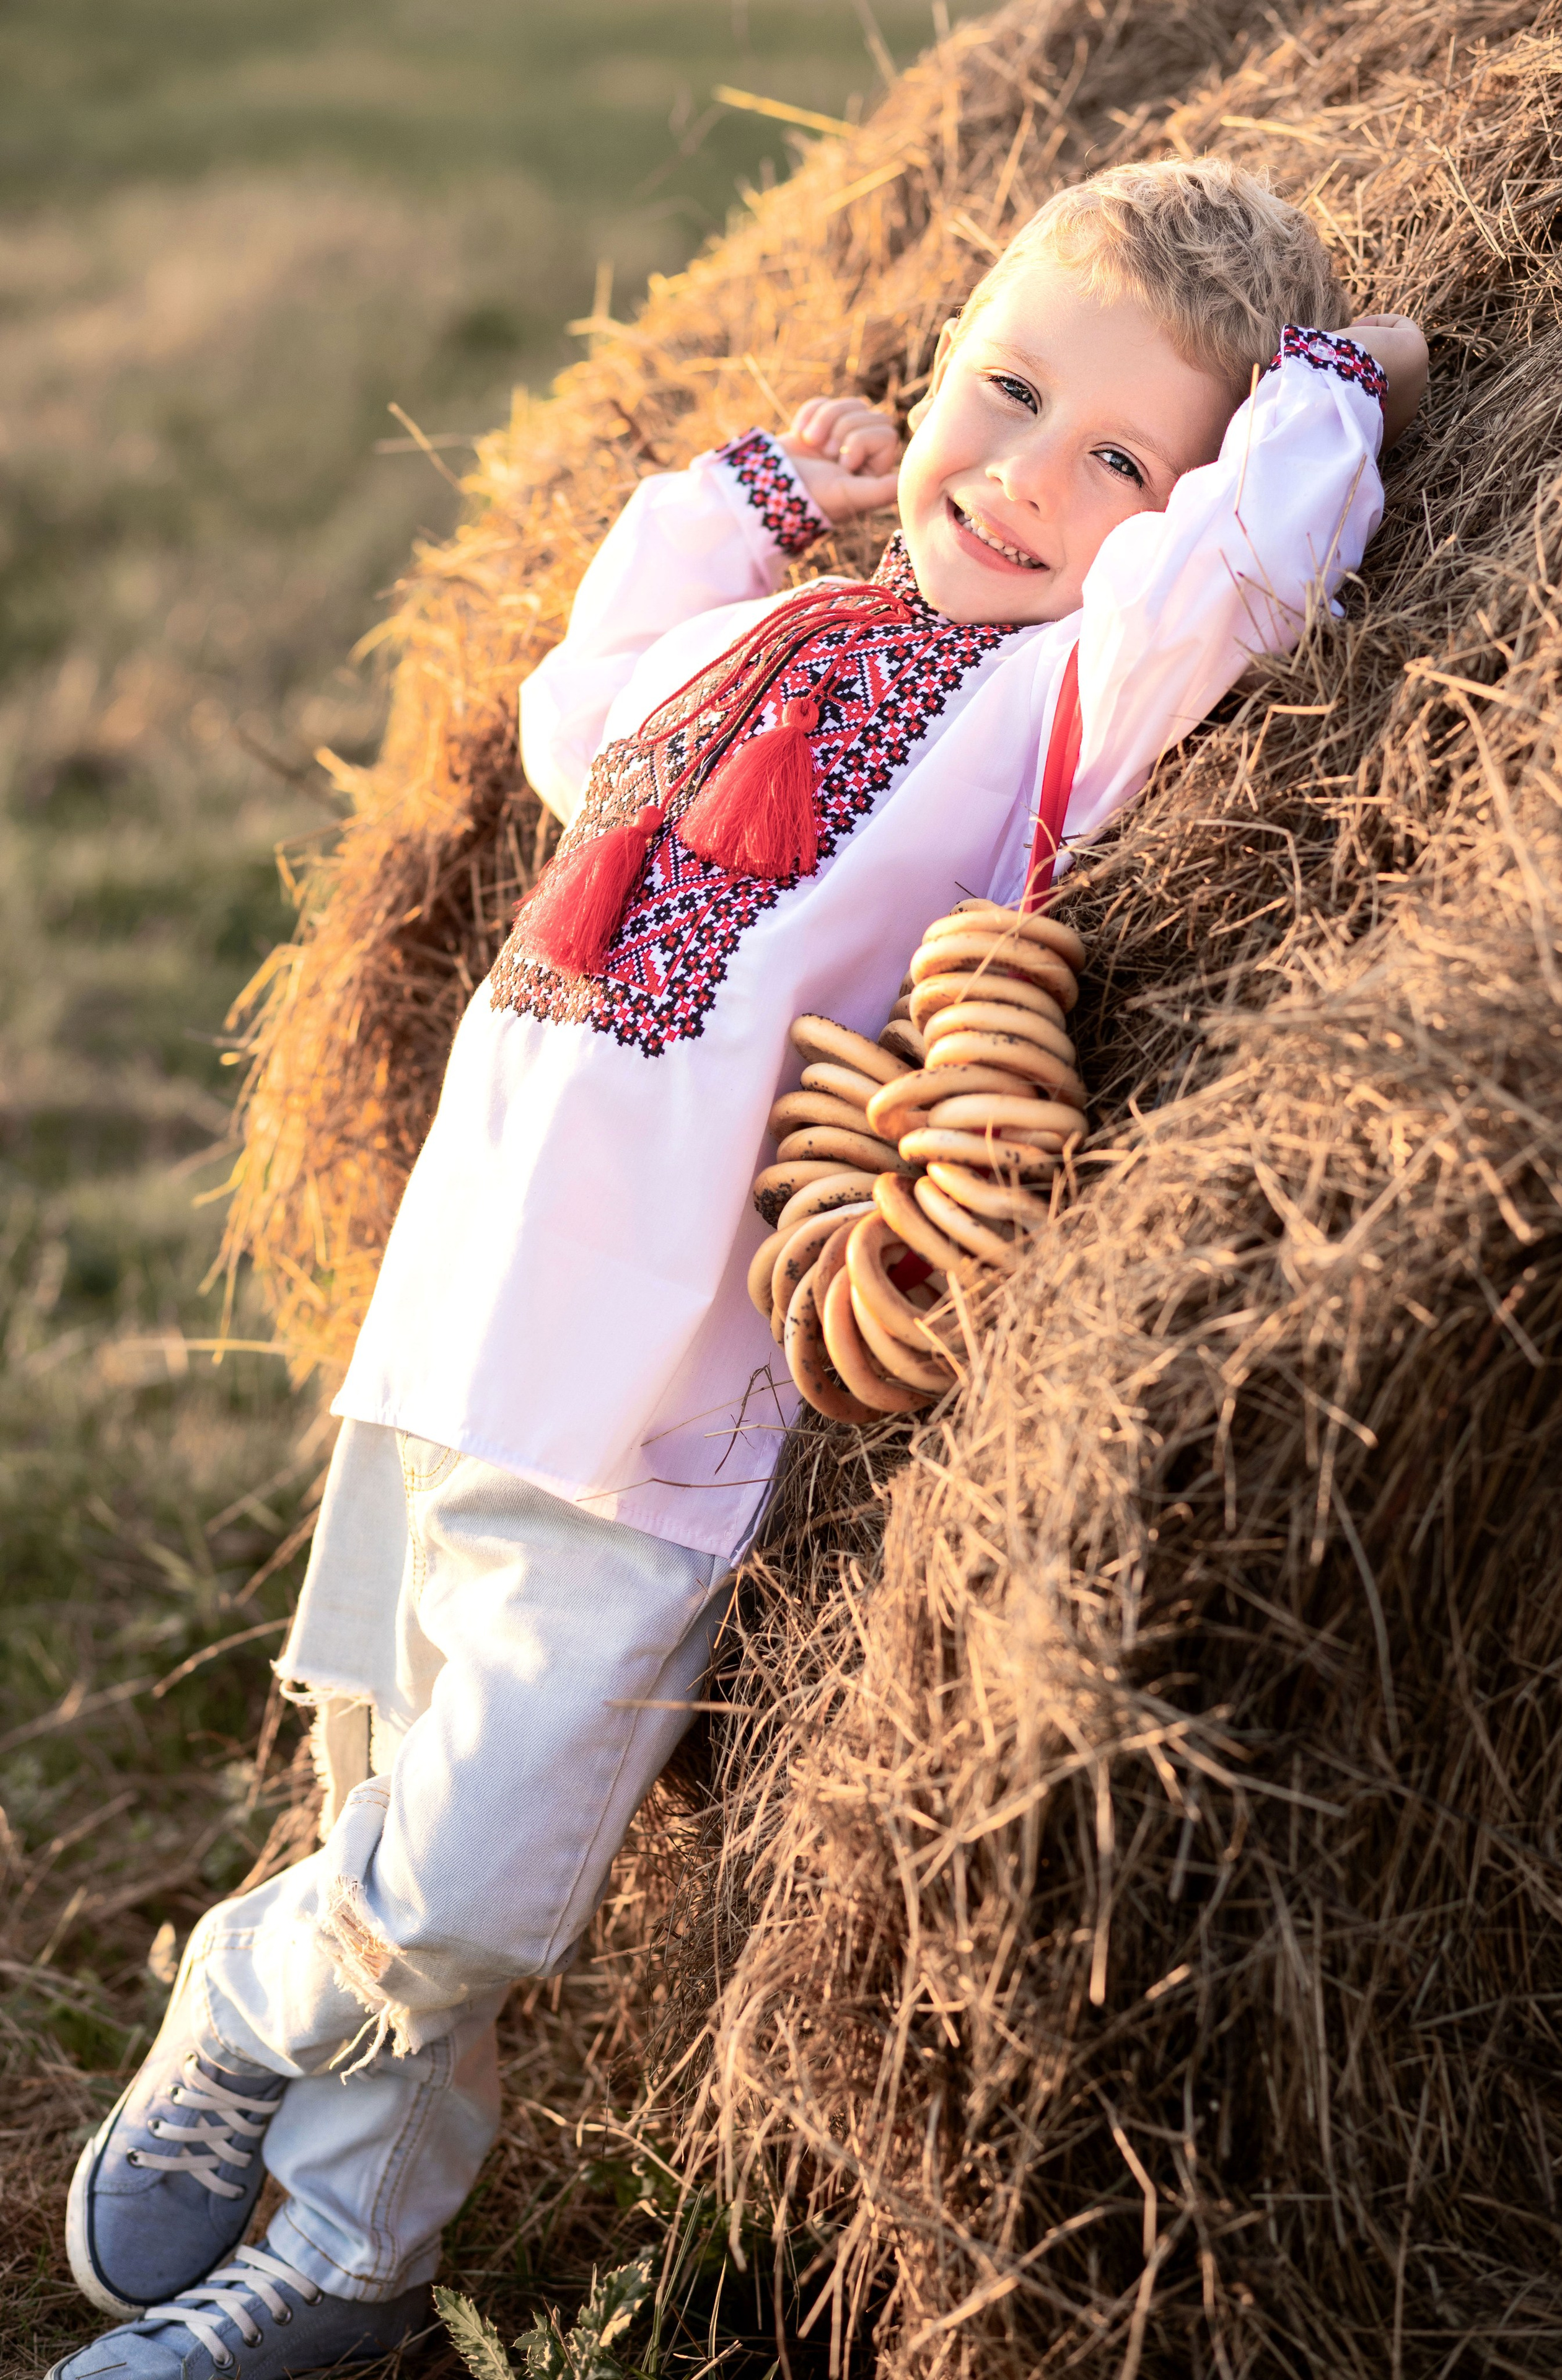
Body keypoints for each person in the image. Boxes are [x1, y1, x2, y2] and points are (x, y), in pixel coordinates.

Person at [51, 159, 1426, 2379]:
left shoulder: (1047, 718)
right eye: (1006, 392)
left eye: (1117, 463)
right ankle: (345, 2258)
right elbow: (570, 700)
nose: (1025, 482)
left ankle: (235, 1998)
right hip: (448, 1326)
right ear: (941, 358)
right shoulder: (745, 636)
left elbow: (1247, 576)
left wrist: (1345, 380)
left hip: (642, 1399)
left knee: (484, 1881)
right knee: (389, 1796)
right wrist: (751, 488)